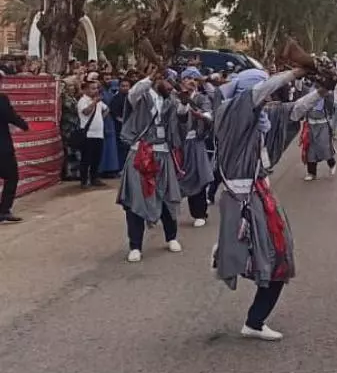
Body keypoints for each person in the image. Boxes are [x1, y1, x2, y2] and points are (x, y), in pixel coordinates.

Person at [212, 68, 304, 341]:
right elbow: (258, 92)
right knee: (274, 258)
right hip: (242, 199)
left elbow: (295, 110)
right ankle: (228, 253)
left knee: (279, 257)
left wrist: (322, 90)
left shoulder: (260, 118)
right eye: (262, 90)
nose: (268, 97)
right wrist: (296, 72)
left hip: (260, 195)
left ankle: (255, 319)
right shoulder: (231, 113)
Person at [117, 67, 183, 263]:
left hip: (163, 153)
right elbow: (133, 92)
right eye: (168, 81)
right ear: (159, 80)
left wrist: (186, 102)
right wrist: (150, 77)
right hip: (140, 154)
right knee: (135, 200)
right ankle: (135, 246)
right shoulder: (141, 97)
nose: (171, 86)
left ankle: (171, 237)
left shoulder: (171, 101)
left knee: (167, 197)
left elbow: (182, 116)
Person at [176, 67, 215, 228]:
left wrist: (203, 116)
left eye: (194, 79)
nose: (191, 81)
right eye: (187, 78)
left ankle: (199, 213)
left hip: (195, 143)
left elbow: (208, 114)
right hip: (177, 144)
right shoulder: (174, 97)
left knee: (198, 177)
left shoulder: (201, 98)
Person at [293, 82, 336, 182]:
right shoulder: (307, 89)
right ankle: (311, 173)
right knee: (310, 149)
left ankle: (332, 163)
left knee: (324, 146)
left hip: (323, 123)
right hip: (310, 123)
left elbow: (330, 108)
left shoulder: (328, 92)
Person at [0, 77, 29, 223]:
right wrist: (24, 125)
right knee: (12, 176)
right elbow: (10, 115)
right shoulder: (2, 99)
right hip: (2, 147)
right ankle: (4, 210)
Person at [77, 79, 109, 188]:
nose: (96, 90)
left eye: (96, 88)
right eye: (93, 88)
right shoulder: (83, 100)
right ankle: (84, 180)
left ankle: (94, 178)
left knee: (97, 158)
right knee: (86, 159)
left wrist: (101, 118)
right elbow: (86, 112)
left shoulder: (99, 101)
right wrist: (94, 102)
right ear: (86, 90)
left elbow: (107, 109)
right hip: (88, 134)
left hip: (99, 134)